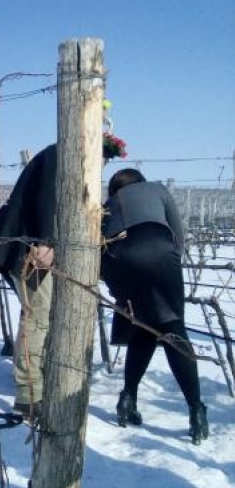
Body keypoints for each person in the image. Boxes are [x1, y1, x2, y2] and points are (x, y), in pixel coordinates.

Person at [100, 168, 208, 444]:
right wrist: (169, 263)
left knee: (144, 326)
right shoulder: (158, 189)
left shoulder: (107, 205)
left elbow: (100, 248)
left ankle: (128, 398)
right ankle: (196, 409)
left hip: (118, 259)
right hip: (158, 251)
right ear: (140, 181)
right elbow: (178, 234)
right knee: (172, 328)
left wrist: (116, 283)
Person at [0, 144, 57, 418]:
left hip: (29, 245)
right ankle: (29, 395)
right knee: (37, 315)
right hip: (30, 248)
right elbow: (48, 196)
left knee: (41, 313)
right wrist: (46, 241)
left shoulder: (57, 154)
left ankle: (39, 380)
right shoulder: (60, 154)